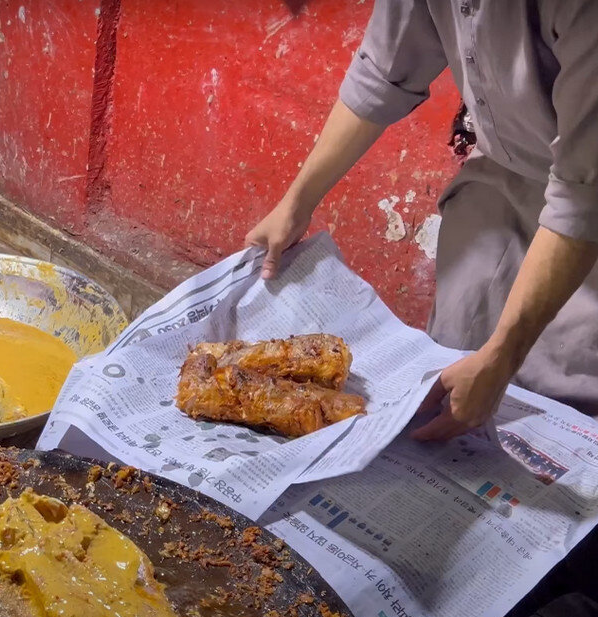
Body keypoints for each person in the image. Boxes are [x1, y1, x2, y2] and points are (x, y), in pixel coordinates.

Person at [247, 1, 598, 436]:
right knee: (453, 357)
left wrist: (503, 355)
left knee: (564, 386)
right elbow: (381, 72)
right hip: (503, 181)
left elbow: (581, 198)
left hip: (585, 207)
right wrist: (295, 205)